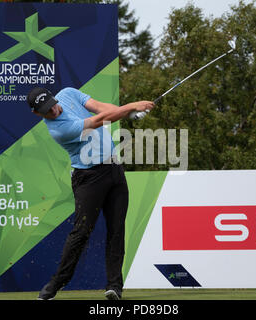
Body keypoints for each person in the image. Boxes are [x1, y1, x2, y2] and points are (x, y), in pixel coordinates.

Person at [27, 86, 154, 300]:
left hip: (114, 170)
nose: (54, 111)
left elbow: (101, 108)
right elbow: (99, 121)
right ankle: (56, 283)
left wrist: (128, 111)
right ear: (37, 114)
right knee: (82, 231)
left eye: (52, 105)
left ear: (53, 97)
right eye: (47, 111)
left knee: (117, 230)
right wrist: (132, 106)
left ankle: (114, 286)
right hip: (88, 178)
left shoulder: (67, 93)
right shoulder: (59, 130)